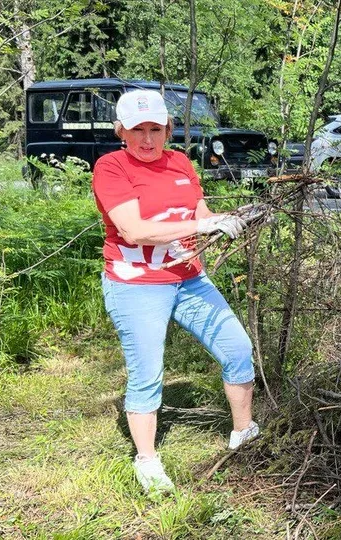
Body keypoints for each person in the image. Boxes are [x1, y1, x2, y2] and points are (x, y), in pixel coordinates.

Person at [92, 89, 260, 494]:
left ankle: (245, 433)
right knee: (147, 373)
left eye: (156, 129)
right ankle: (147, 460)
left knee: (237, 348)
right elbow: (134, 229)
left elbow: (195, 210)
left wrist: (221, 219)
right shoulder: (111, 167)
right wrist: (200, 227)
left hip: (188, 278)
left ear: (169, 129)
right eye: (137, 130)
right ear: (121, 131)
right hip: (136, 285)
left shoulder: (180, 162)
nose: (147, 140)